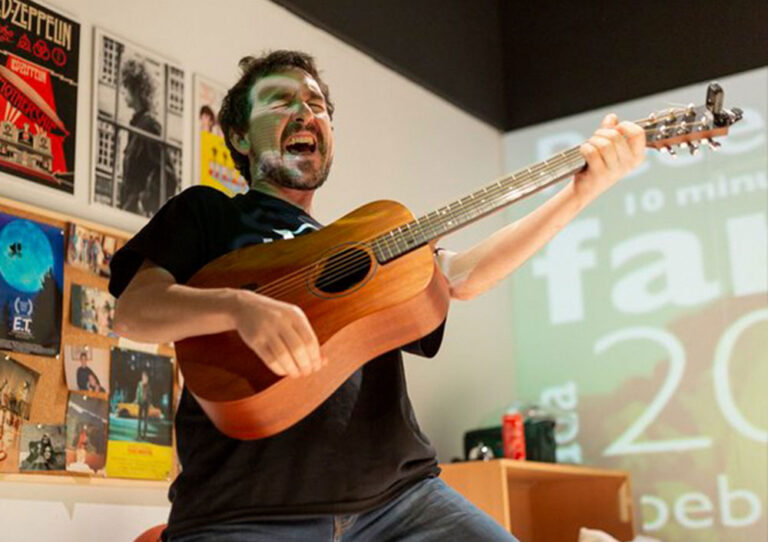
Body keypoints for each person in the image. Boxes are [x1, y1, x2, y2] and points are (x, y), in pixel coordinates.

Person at [109, 50, 645, 541]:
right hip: (243, 512)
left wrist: (581, 192)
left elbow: (459, 277)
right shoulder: (209, 214)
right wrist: (237, 306)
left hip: (403, 502)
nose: (306, 112)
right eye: (281, 100)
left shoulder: (366, 237)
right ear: (241, 136)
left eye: (316, 104)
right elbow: (135, 312)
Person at [135, 370, 151, 440]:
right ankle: (139, 434)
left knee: (145, 420)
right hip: (141, 403)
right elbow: (137, 392)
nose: (144, 378)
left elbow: (150, 394)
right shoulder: (139, 384)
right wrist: (137, 400)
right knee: (139, 419)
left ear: (147, 378)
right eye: (143, 377)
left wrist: (149, 402)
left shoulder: (148, 385)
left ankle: (144, 435)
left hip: (146, 403)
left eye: (145, 377)